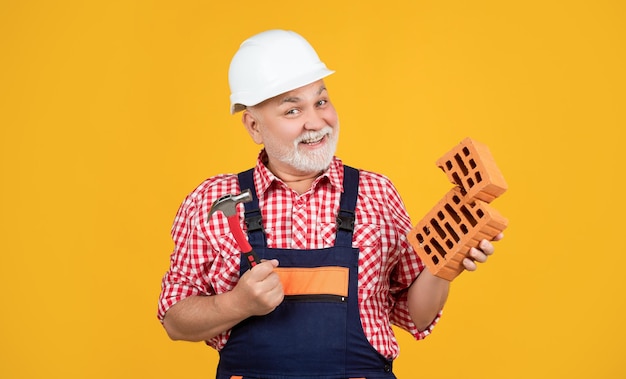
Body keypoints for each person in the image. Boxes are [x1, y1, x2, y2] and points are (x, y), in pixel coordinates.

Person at [157, 29, 502, 379]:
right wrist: (236, 304)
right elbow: (175, 319)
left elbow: (415, 315)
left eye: (321, 101)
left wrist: (446, 262)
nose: (316, 122)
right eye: (293, 110)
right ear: (254, 126)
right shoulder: (211, 200)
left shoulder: (376, 193)